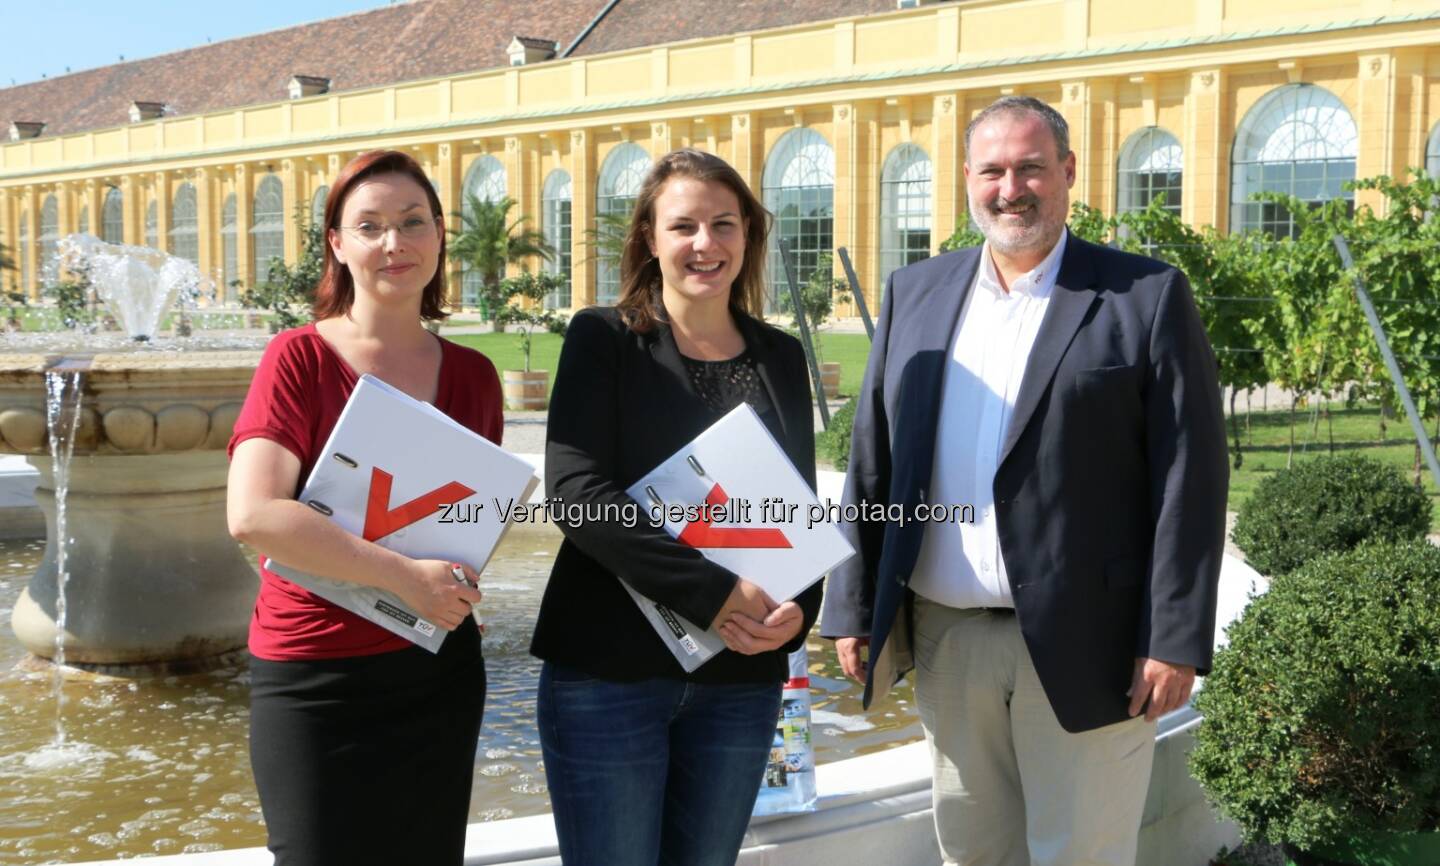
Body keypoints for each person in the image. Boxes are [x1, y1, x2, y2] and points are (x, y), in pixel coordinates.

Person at [821, 96, 1228, 866]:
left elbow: (1192, 473)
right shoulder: (916, 293)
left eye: (1031, 168)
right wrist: (851, 601)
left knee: (1081, 855)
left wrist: (1173, 639)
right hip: (950, 641)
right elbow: (873, 458)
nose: (1012, 188)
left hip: (1094, 643)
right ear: (968, 180)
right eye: (994, 171)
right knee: (973, 854)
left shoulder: (1143, 295)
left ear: (1068, 172)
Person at [533, 148, 821, 866]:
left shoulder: (780, 356)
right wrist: (717, 593)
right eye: (683, 225)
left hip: (738, 683)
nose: (705, 244)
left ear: (748, 236)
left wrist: (798, 612)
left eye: (724, 224)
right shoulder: (603, 338)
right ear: (649, 239)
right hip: (609, 677)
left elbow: (797, 511)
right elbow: (577, 494)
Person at [226, 150, 500, 865]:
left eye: (413, 223)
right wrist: (407, 577)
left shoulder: (474, 377)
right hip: (315, 676)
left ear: (440, 235)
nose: (394, 243)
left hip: (435, 673)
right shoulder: (298, 358)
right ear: (338, 245)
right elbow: (254, 515)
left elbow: (466, 522)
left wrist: (452, 579)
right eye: (370, 225)